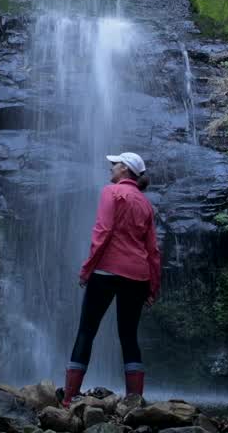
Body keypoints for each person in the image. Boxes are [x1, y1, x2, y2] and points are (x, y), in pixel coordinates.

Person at [61, 151, 162, 407]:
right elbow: (153, 250)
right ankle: (134, 401)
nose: (110, 168)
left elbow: (103, 232)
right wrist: (152, 287)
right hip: (137, 275)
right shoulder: (145, 203)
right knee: (128, 336)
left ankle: (70, 397)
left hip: (106, 271)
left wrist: (87, 269)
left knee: (87, 330)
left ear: (125, 170)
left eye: (114, 164)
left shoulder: (111, 192)